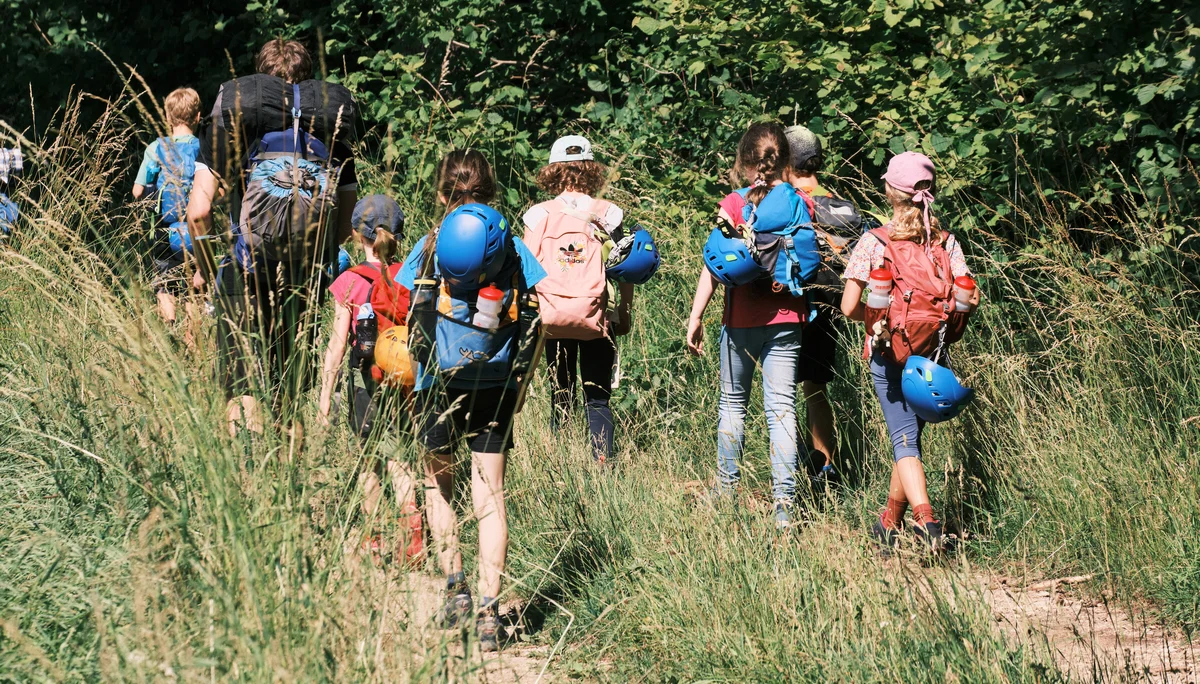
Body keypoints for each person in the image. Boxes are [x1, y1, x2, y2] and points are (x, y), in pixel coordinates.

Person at [396, 150, 547, 652]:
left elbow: (410, 313)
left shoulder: (431, 243)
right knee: (490, 495)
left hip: (437, 385)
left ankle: (455, 591)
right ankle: (489, 612)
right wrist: (519, 385)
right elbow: (537, 318)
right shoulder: (514, 248)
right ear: (492, 192)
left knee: (439, 487)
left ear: (443, 194)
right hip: (497, 384)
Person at [186, 38, 359, 440]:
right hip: (300, 277)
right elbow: (345, 225)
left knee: (241, 389)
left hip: (242, 273)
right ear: (308, 84)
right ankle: (291, 489)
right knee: (287, 393)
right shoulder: (333, 135)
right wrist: (315, 260)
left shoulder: (233, 126)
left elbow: (197, 213)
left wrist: (213, 270)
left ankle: (246, 488)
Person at [839, 151, 978, 553]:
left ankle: (927, 523)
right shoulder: (947, 243)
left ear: (890, 192)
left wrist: (881, 318)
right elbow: (961, 297)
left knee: (904, 441)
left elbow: (849, 307)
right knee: (911, 440)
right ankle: (888, 524)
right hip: (933, 356)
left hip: (888, 352)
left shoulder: (874, 241)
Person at [686, 122, 809, 528]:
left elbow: (712, 263)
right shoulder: (797, 202)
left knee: (733, 404)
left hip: (739, 321)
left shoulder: (734, 203)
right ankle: (785, 505)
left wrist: (696, 315)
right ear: (785, 161)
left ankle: (725, 491)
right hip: (788, 315)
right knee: (782, 409)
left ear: (743, 161)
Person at [317, 194, 422, 565]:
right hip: (403, 380)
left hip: (364, 382)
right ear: (399, 235)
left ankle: (373, 541)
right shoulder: (409, 275)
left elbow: (336, 343)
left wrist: (326, 394)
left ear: (355, 235)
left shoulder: (349, 280)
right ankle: (414, 536)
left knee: (369, 462)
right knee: (400, 459)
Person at [522, 135, 633, 463]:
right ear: (591, 169)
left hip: (552, 316)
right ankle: (603, 468)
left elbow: (527, 273)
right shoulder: (609, 213)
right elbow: (625, 267)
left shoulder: (537, 215)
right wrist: (624, 312)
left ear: (553, 171)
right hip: (598, 315)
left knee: (561, 394)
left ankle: (560, 467)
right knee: (598, 398)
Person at [783, 125, 840, 489]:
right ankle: (826, 470)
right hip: (830, 302)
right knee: (816, 389)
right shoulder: (832, 198)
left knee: (782, 391)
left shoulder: (784, 200)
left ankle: (788, 476)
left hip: (793, 304)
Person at [133, 87, 202, 328]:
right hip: (195, 228)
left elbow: (138, 190)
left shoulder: (155, 148)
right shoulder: (203, 149)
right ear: (198, 117)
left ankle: (170, 325)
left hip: (163, 229)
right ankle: (193, 340)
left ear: (167, 117)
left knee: (164, 283)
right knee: (195, 287)